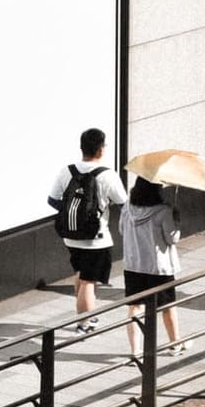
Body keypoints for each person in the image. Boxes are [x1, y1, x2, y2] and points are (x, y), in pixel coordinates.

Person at [47, 127, 128, 333]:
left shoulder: (67, 171)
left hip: (71, 236)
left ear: (82, 147)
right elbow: (124, 204)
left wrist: (74, 215)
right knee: (88, 282)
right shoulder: (107, 175)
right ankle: (85, 322)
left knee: (81, 273)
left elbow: (53, 200)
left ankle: (85, 314)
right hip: (96, 238)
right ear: (100, 150)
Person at [120, 177, 188, 356]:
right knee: (168, 305)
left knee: (135, 307)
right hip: (159, 267)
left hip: (133, 265)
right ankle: (175, 343)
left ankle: (135, 350)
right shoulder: (164, 211)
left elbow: (121, 229)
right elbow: (172, 238)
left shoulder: (127, 207)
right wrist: (177, 220)